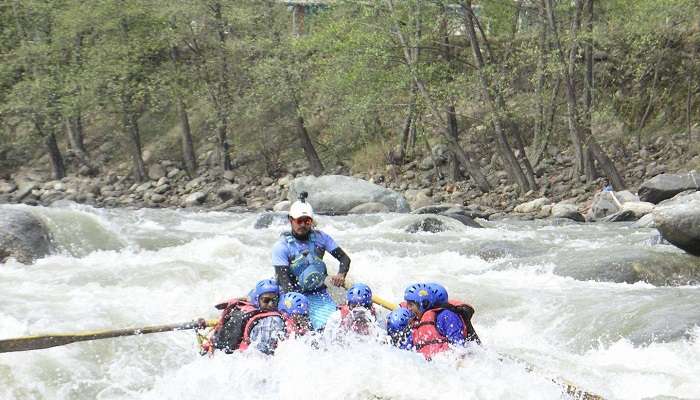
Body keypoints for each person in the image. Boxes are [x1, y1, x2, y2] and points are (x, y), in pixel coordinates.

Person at [272, 192, 352, 331]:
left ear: (311, 221)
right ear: (290, 220)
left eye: (307, 221)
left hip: (317, 291)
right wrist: (298, 302)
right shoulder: (282, 246)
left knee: (333, 326)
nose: (303, 225)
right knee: (305, 323)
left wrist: (341, 275)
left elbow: (345, 259)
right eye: (299, 221)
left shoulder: (321, 238)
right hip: (292, 291)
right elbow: (284, 281)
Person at [201, 279, 286, 355]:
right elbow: (264, 353)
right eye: (266, 300)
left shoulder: (243, 308)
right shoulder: (272, 320)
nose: (271, 304)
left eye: (275, 300)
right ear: (257, 300)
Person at [404, 283, 480, 360]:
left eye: (411, 305)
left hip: (447, 364)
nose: (408, 308)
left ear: (424, 304)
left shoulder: (445, 316)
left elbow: (459, 347)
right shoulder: (415, 324)